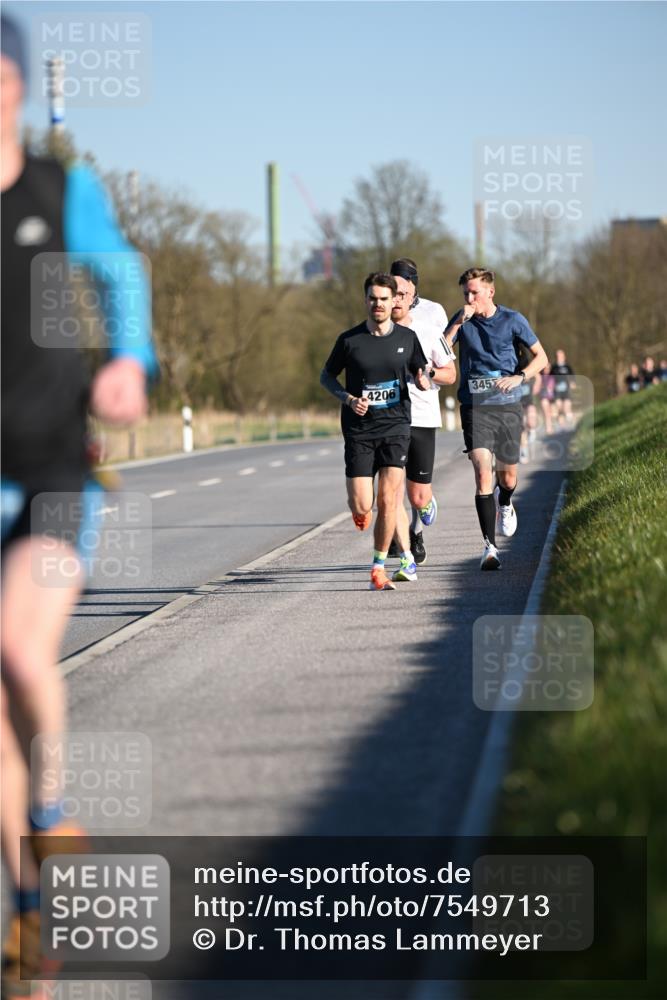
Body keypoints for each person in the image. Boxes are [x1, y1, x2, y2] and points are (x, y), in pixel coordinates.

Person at [1, 14, 157, 995]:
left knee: (17, 645)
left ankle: (53, 812)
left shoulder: (59, 190)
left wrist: (129, 361)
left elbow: (122, 273)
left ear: (14, 85)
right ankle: (29, 918)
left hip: (57, 469)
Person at [320, 273, 430, 590]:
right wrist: (348, 398)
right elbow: (326, 377)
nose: (378, 304)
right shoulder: (349, 340)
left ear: (394, 300)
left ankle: (378, 567)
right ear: (365, 300)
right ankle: (361, 511)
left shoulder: (407, 339)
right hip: (359, 430)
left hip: (396, 427)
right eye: (372, 298)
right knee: (362, 504)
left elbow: (420, 369)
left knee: (389, 499)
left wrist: (423, 378)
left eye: (384, 298)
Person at [444, 268, 547, 570]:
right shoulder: (461, 320)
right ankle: (490, 547)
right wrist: (457, 324)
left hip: (507, 406)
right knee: (481, 471)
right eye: (465, 293)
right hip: (475, 407)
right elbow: (439, 354)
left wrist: (520, 377)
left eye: (474, 292)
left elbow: (542, 357)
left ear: (490, 292)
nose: (469, 298)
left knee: (508, 477)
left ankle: (505, 502)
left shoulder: (513, 319)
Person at [386, 258, 456, 569]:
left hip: (424, 411)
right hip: (390, 416)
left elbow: (445, 358)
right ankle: (402, 540)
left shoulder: (432, 315)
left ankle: (417, 523)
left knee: (417, 494)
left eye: (402, 290)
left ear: (414, 285)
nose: (396, 297)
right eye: (393, 290)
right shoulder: (381, 315)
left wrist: (427, 372)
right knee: (392, 484)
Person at [551, 348, 576, 427]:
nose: (559, 357)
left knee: (566, 407)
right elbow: (550, 378)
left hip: (566, 389)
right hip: (557, 390)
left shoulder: (568, 367)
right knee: (559, 407)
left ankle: (572, 423)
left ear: (564, 356)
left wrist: (573, 383)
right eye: (558, 356)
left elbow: (572, 376)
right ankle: (561, 426)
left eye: (561, 355)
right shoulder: (553, 367)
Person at [538, 362, 556, 433]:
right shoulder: (539, 377)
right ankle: (548, 429)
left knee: (553, 414)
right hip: (543, 397)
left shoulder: (552, 377)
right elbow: (538, 388)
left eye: (548, 368)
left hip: (552, 398)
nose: (546, 370)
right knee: (546, 413)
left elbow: (552, 387)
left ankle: (550, 426)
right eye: (545, 368)